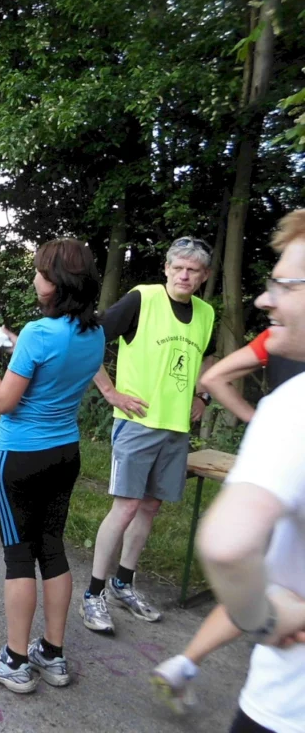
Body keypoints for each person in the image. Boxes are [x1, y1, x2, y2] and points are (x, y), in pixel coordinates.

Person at [0, 239, 105, 693]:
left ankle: (15, 660)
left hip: (20, 455)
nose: (34, 280)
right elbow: (52, 375)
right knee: (53, 546)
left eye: (41, 274)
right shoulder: (94, 332)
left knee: (18, 554)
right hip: (66, 452)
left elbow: (4, 402)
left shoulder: (38, 334)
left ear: (58, 284)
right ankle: (53, 653)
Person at [151, 326, 305, 710]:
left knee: (261, 578)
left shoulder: (281, 335)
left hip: (272, 479)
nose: (271, 299)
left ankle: (185, 663)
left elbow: (214, 378)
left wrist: (261, 422)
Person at [196, 209, 305, 733]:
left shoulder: (293, 408)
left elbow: (227, 546)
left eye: (285, 284)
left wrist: (268, 620)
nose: (265, 299)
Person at [81, 237, 217, 635]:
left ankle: (124, 582)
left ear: (204, 275)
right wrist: (110, 392)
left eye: (193, 269)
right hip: (137, 422)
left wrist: (203, 394)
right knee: (124, 508)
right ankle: (93, 594)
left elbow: (208, 355)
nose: (185, 275)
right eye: (178, 267)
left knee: (150, 509)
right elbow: (89, 337)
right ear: (167, 269)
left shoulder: (206, 314)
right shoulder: (143, 298)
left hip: (176, 426)